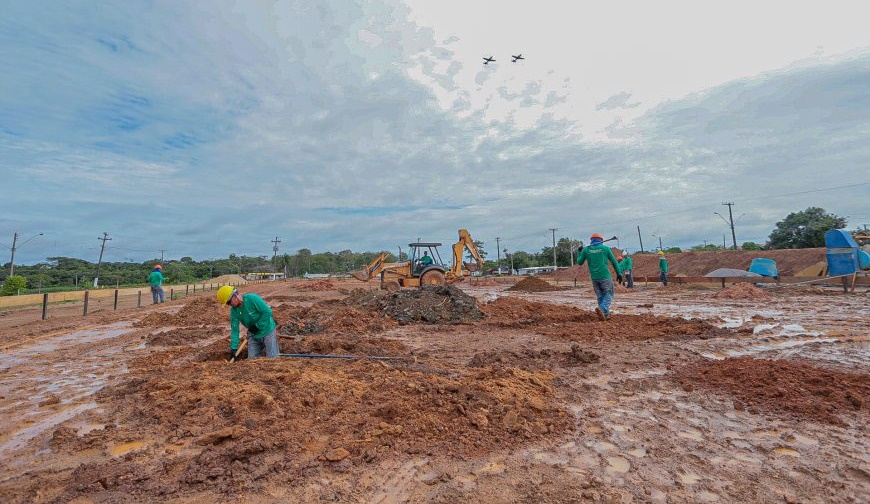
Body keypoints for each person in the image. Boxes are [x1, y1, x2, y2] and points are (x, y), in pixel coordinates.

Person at [216, 286, 279, 359]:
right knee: (251, 361)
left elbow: (267, 312)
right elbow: (235, 330)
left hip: (268, 331)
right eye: (227, 304)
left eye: (228, 302)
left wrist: (257, 326)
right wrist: (234, 348)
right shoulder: (234, 311)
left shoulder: (252, 299)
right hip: (254, 335)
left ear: (235, 295)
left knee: (272, 359)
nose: (229, 305)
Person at [576, 233, 622, 321]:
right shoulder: (605, 249)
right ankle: (603, 308)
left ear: (591, 240)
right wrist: (619, 273)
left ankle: (605, 315)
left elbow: (580, 262)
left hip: (594, 278)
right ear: (601, 240)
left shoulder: (586, 250)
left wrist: (579, 252)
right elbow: (614, 262)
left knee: (600, 295)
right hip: (605, 276)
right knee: (609, 294)